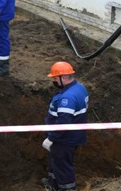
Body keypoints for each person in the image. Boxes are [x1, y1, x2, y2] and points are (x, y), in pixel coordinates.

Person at [41, 61, 89, 191]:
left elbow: (63, 123)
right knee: (55, 161)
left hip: (64, 139)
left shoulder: (67, 98)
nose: (54, 81)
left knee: (62, 165)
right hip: (69, 136)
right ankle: (53, 184)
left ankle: (67, 188)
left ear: (63, 78)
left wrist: (51, 138)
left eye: (55, 78)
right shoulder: (79, 87)